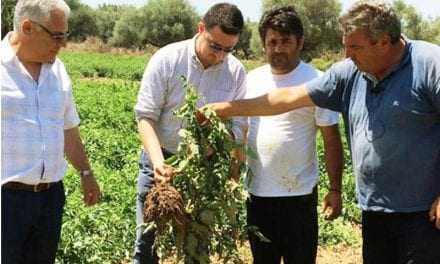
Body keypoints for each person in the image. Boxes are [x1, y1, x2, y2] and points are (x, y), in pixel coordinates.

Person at [204, 1, 440, 263]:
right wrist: (225, 109)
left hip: (424, 212)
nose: (347, 55)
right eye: (345, 45)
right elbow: (288, 97)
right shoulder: (350, 73)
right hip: (374, 210)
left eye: (355, 47)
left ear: (383, 42)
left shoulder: (428, 65)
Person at [133, 3, 247, 263]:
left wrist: (220, 152)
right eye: (215, 46)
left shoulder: (236, 72)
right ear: (201, 28)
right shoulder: (168, 59)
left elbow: (239, 126)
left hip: (204, 169)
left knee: (197, 246)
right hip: (159, 161)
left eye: (228, 50)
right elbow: (145, 116)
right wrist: (159, 164)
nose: (220, 56)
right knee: (147, 243)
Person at [1, 0, 101, 263]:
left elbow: (68, 128)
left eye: (65, 36)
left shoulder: (58, 70)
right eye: (57, 36)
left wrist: (86, 172)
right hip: (6, 200)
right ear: (27, 27)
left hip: (49, 199)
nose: (63, 44)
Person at [244, 6, 343, 264]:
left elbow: (331, 139)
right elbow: (240, 133)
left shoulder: (317, 81)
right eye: (272, 42)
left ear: (300, 42)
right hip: (257, 195)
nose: (277, 49)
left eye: (285, 41)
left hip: (298, 196)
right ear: (263, 44)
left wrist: (335, 189)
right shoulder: (250, 80)